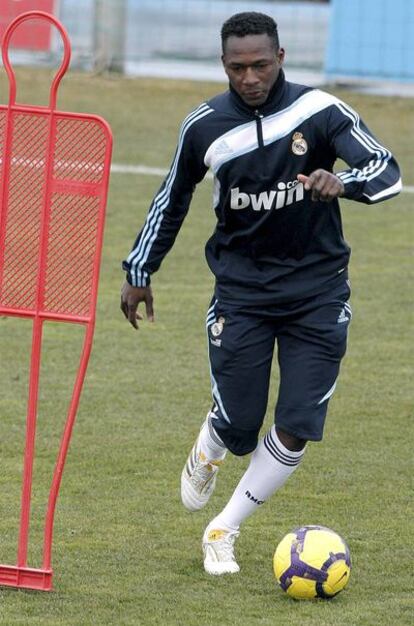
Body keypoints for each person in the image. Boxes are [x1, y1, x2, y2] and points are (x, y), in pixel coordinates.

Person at [120, 12, 401, 575]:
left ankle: (223, 529)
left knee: (298, 420)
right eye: (237, 67)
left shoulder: (319, 111)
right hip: (242, 293)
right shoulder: (203, 126)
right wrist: (139, 268)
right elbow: (171, 198)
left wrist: (340, 182)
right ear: (224, 65)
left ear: (282, 56)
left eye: (261, 65)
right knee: (241, 426)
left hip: (318, 292)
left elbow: (386, 170)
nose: (250, 77)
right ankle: (214, 441)